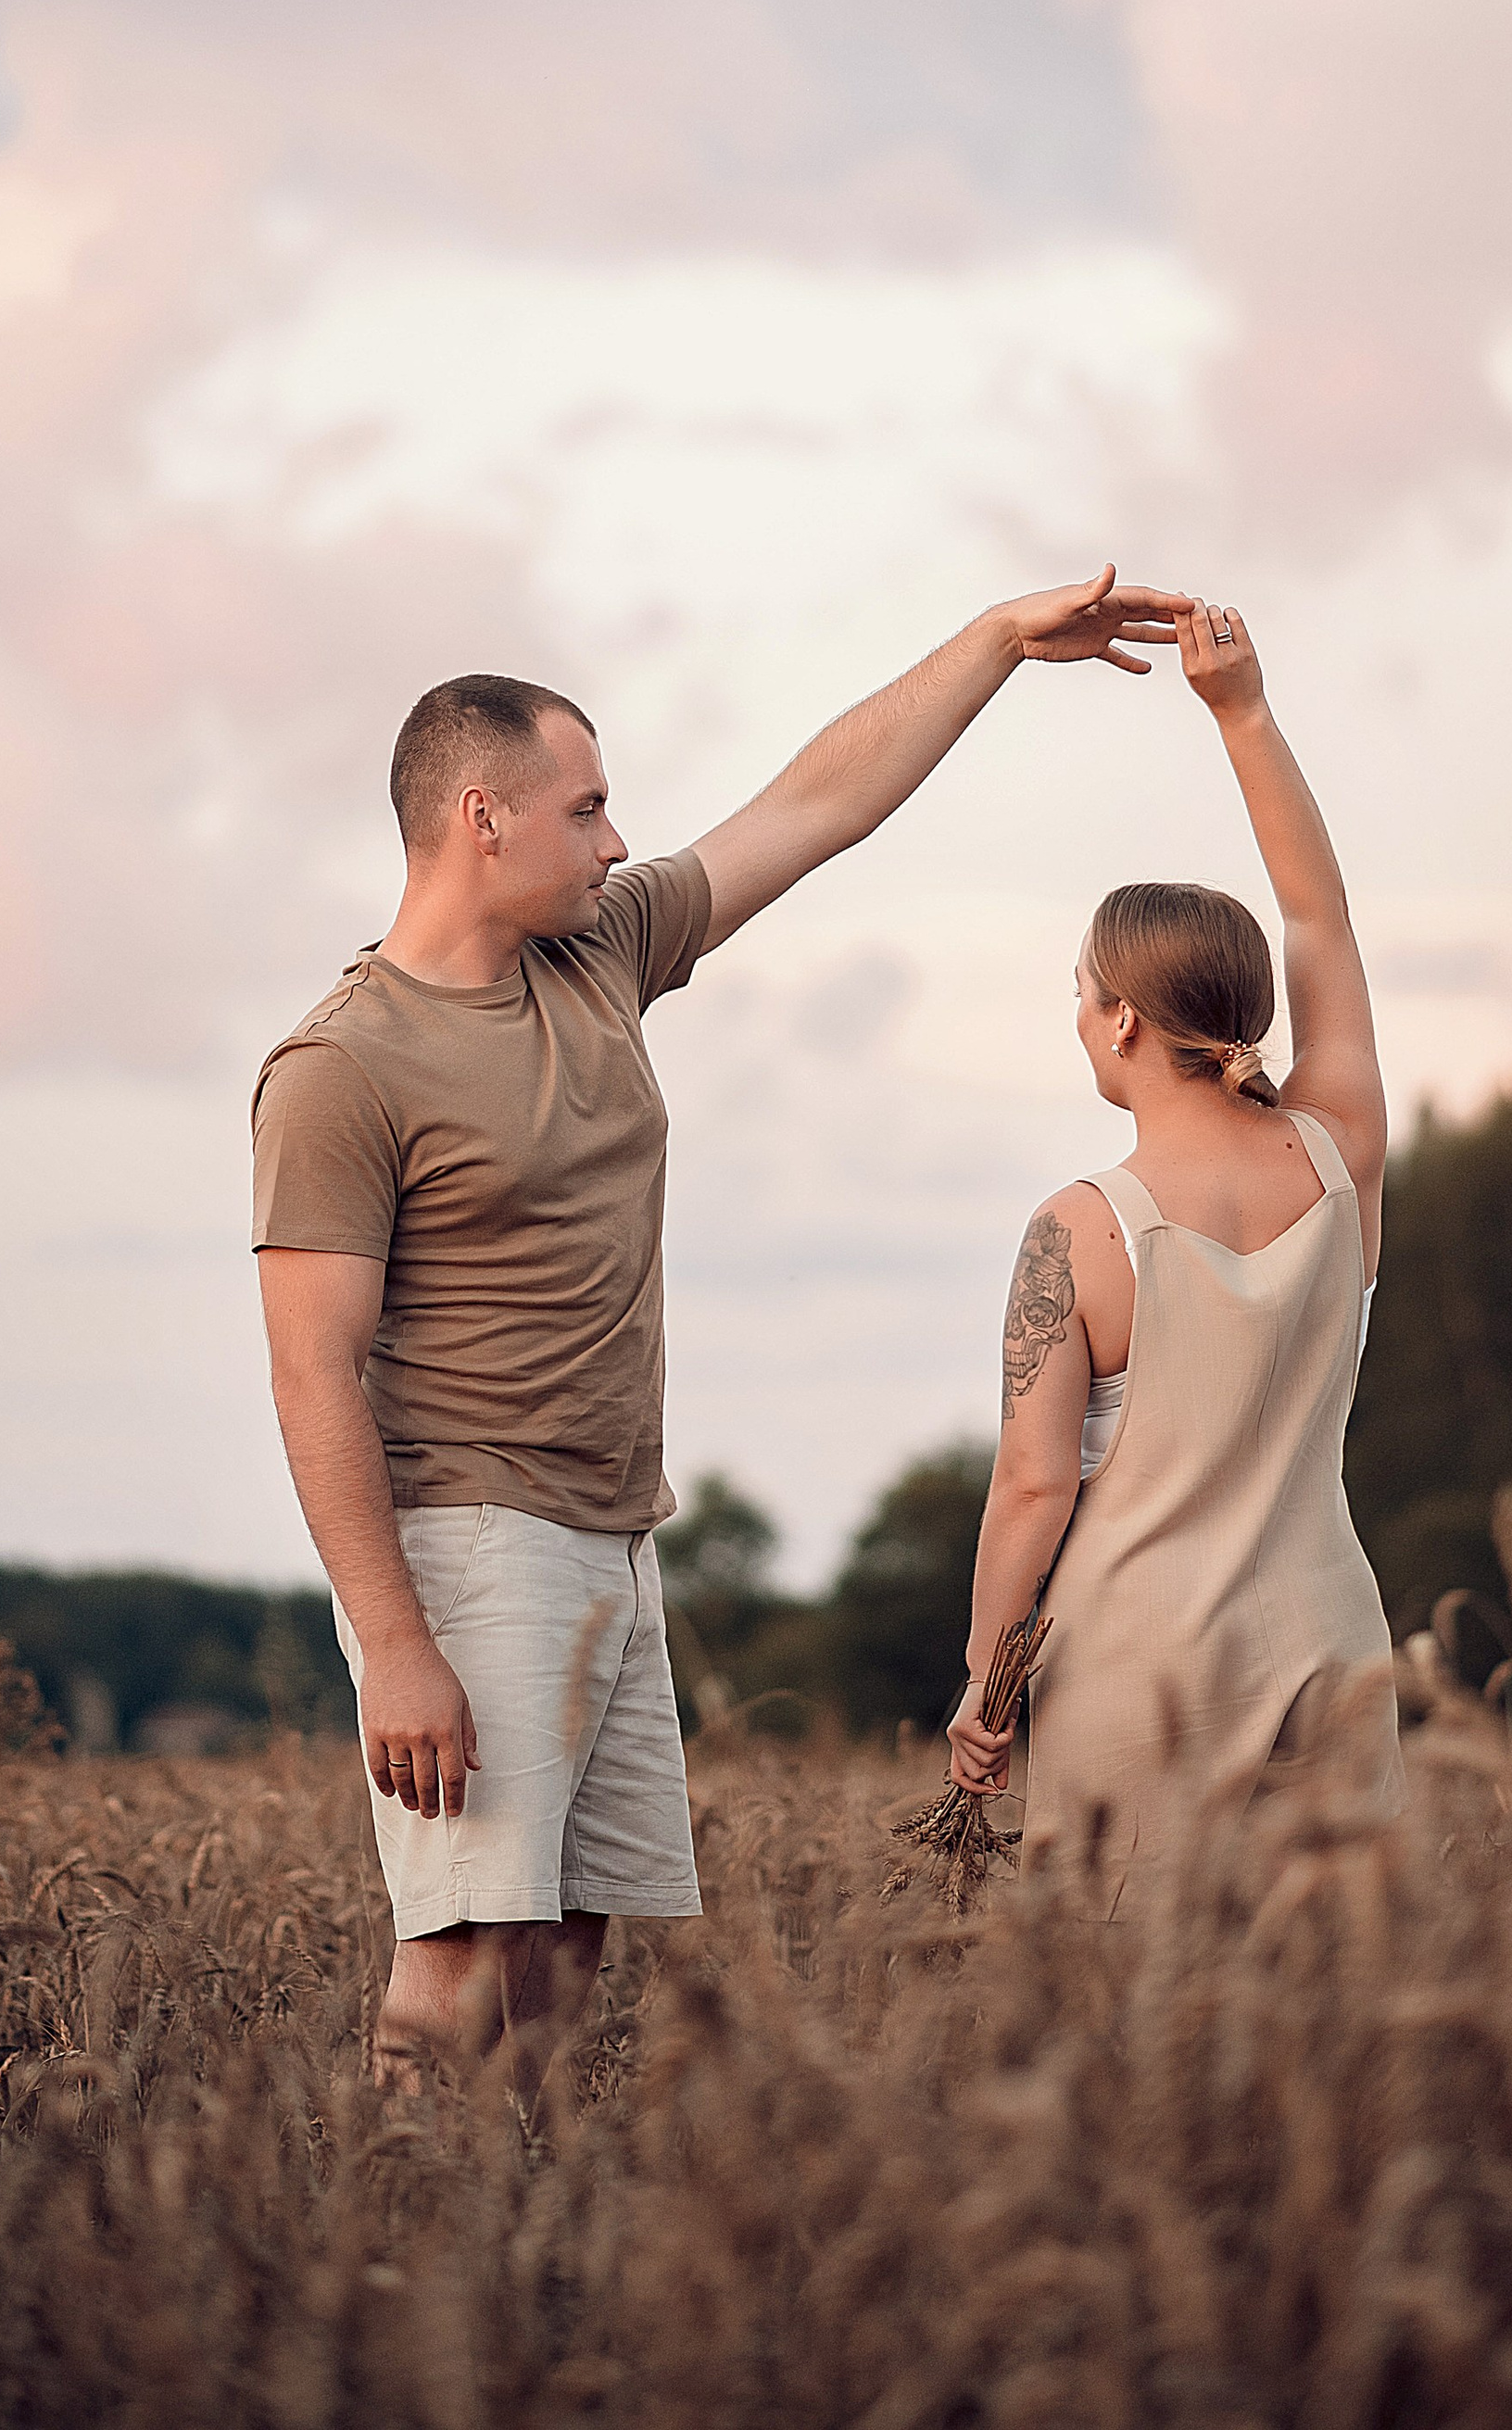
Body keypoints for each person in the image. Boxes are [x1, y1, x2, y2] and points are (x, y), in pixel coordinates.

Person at [252, 566, 1187, 2084]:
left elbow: (815, 806)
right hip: (474, 1545)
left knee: (568, 1955)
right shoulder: (340, 1069)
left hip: (616, 1538)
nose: (617, 840)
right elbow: (311, 1372)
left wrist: (1002, 642)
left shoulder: (599, 954)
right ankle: (390, 2276)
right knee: (460, 1966)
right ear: (482, 818)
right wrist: (397, 1643)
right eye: (586, 808)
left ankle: (521, 2266)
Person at [946, 597, 1402, 1907]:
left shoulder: (1079, 1229)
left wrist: (987, 1683)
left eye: (1085, 994)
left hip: (1137, 1676)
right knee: (1333, 2041)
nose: (1078, 1016)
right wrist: (1243, 712)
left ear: (1129, 1022)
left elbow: (1033, 1493)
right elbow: (1322, 924)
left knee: (1121, 2053)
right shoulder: (1340, 1150)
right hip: (1331, 1652)